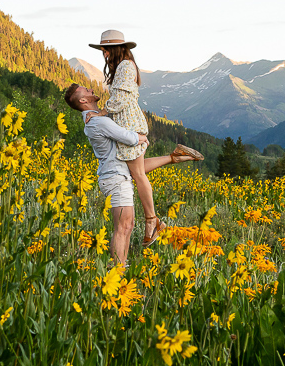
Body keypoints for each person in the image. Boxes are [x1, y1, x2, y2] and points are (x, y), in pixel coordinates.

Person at [63, 81, 204, 265]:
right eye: (86, 90)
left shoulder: (95, 118)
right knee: (124, 226)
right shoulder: (98, 121)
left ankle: (174, 157)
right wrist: (143, 138)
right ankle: (117, 271)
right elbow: (129, 139)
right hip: (116, 180)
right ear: (83, 100)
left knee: (126, 226)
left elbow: (133, 166)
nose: (90, 89)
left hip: (118, 174)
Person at [89, 29, 186, 245]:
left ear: (113, 49)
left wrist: (103, 111)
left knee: (138, 175)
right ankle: (174, 157)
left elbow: (121, 99)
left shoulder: (124, 66)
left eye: (105, 49)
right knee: (137, 171)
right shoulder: (126, 65)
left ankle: (152, 221)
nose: (104, 54)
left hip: (129, 125)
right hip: (130, 124)